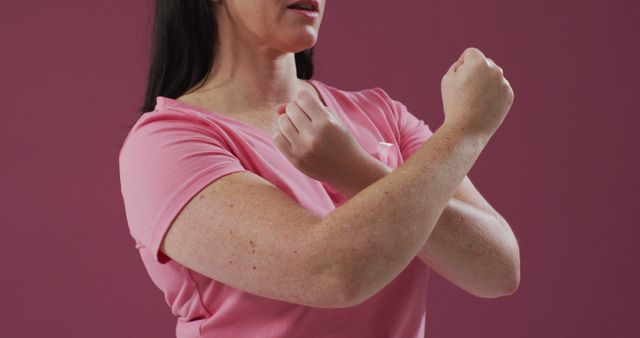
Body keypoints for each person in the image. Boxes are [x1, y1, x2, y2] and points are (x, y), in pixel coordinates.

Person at [118, 0, 518, 337]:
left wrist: (357, 172)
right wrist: (466, 131)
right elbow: (331, 273)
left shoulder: (383, 116)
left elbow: (498, 270)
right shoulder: (165, 143)